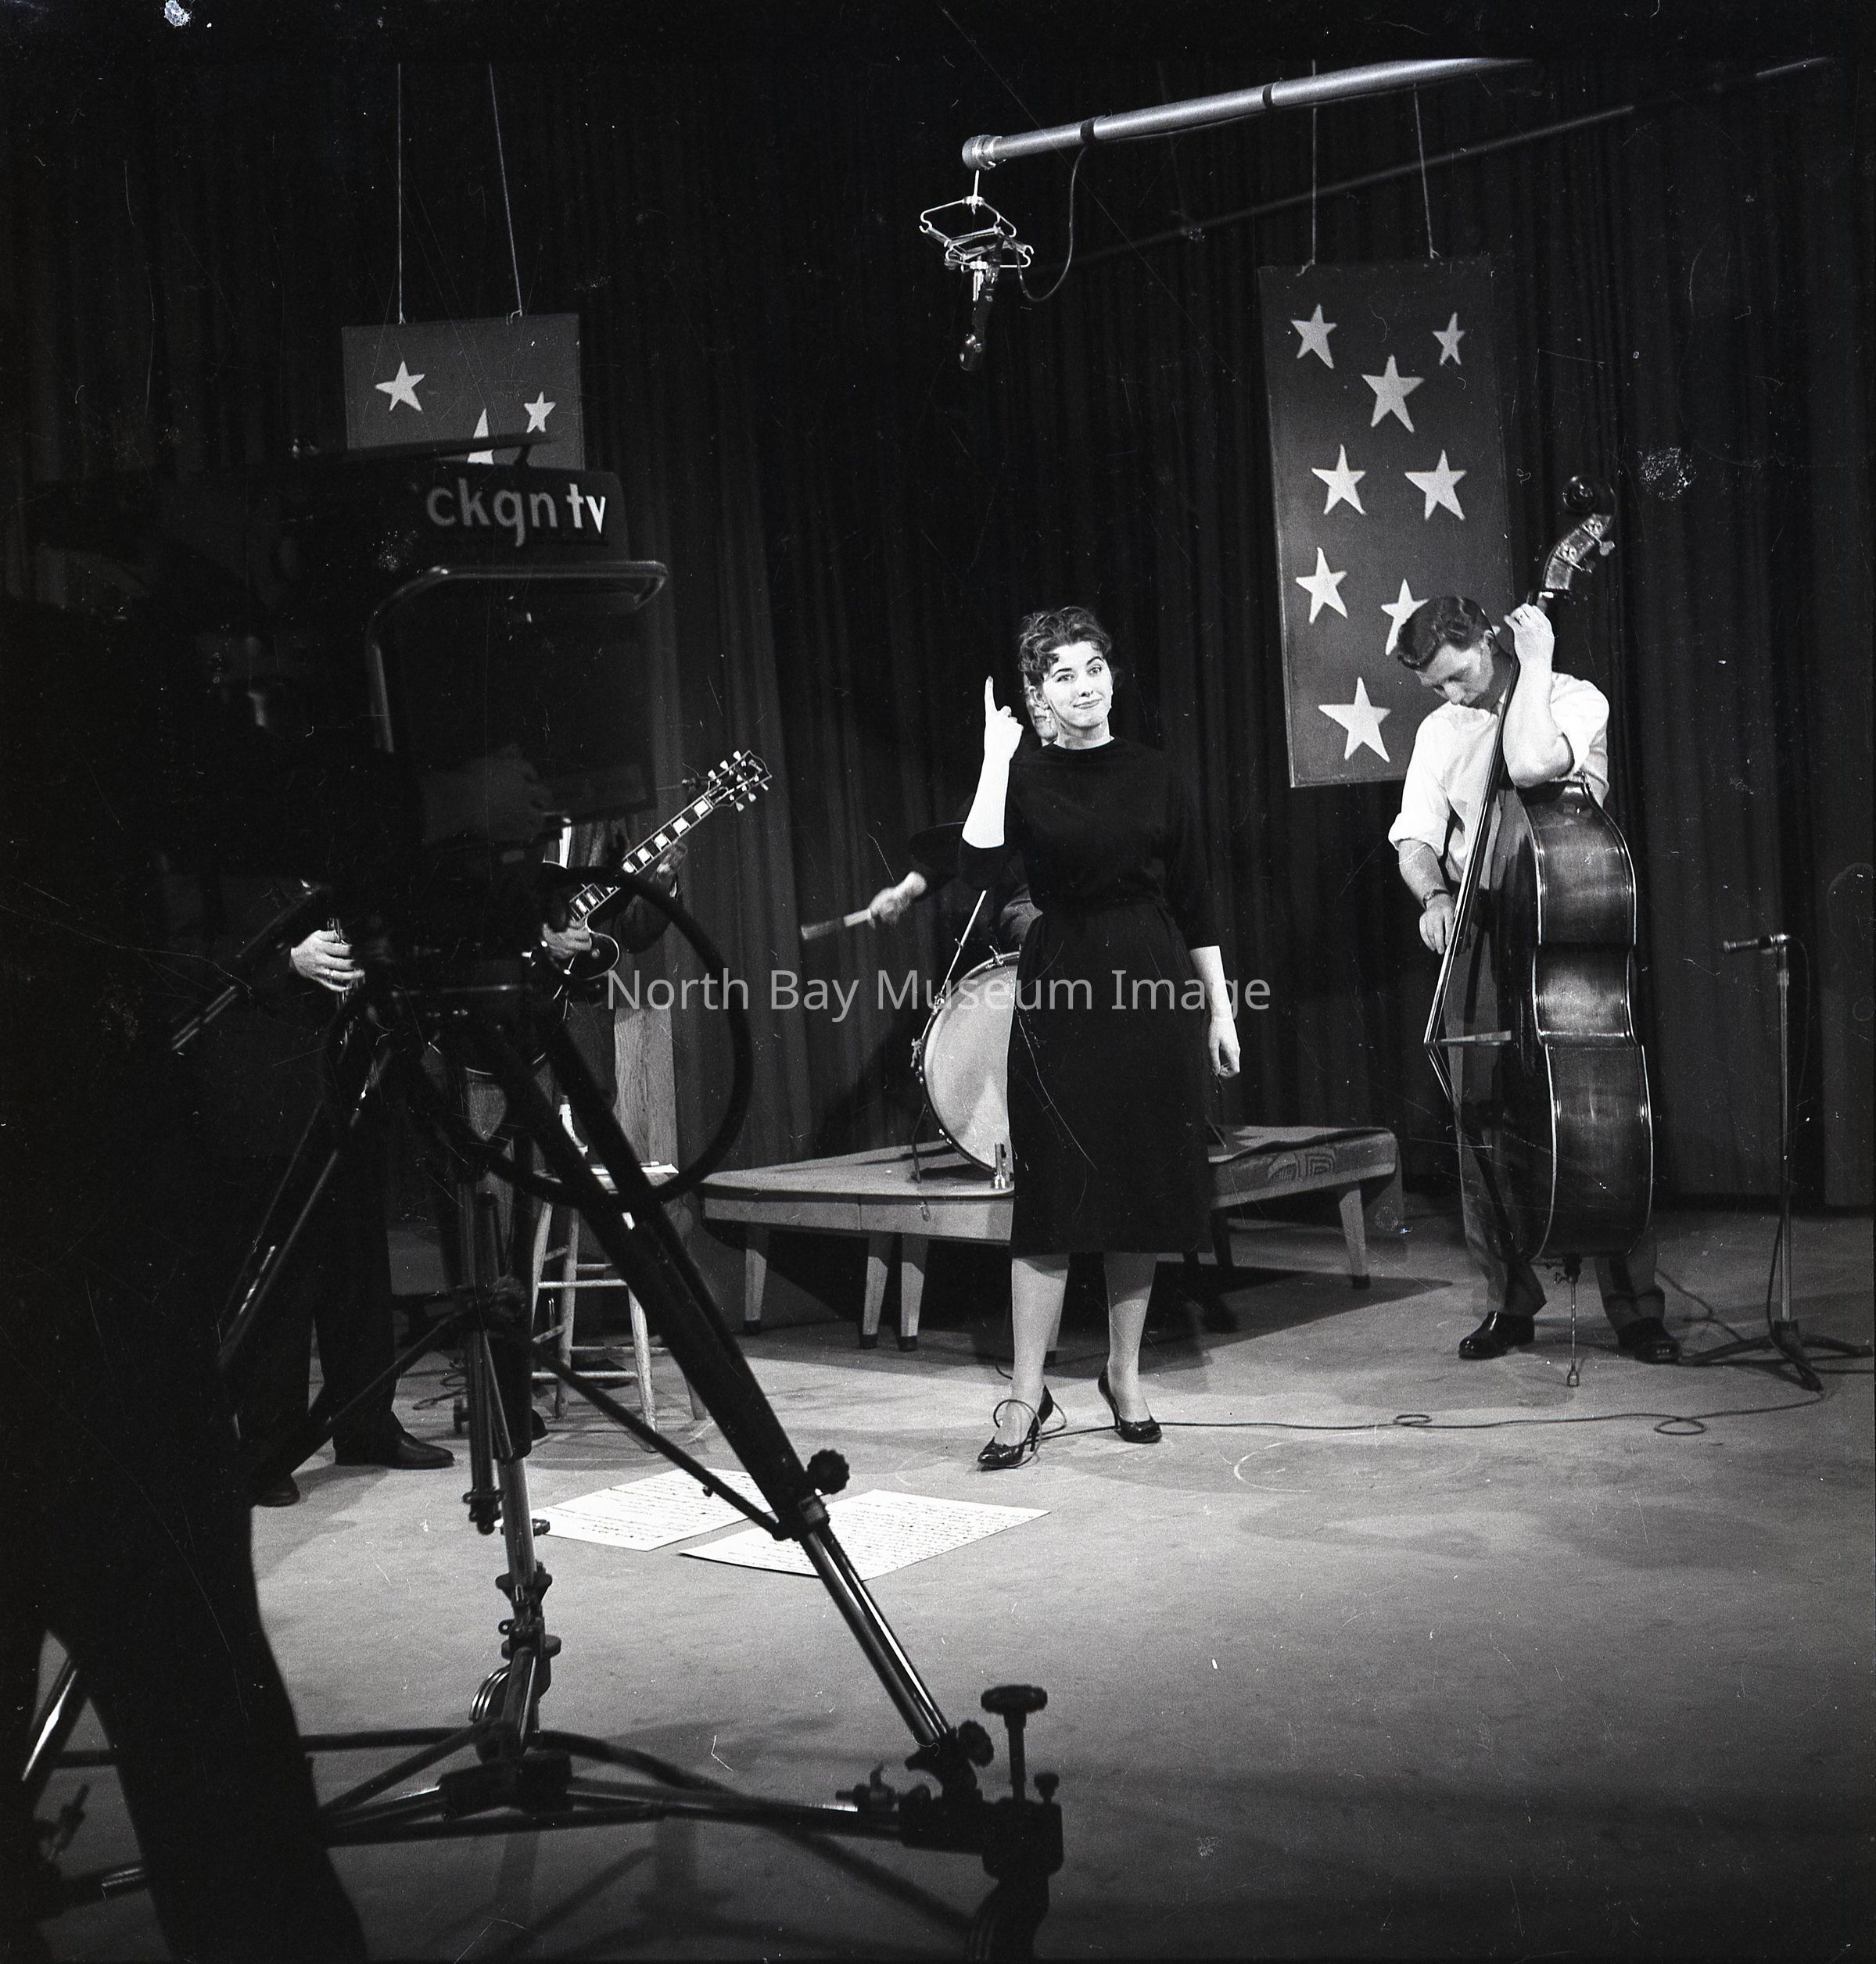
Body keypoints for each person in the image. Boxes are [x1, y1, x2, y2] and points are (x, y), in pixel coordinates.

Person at [0, 590, 550, 1962]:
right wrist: (439, 797)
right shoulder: (54, 669)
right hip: (68, 1230)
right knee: (193, 1682)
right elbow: (221, 795)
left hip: (119, 1176)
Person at [960, 607, 1240, 1468]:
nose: (1083, 686)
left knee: (1138, 1190)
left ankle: (1123, 1373)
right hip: (1062, 987)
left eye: (1093, 667)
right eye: (1062, 675)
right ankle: (1024, 1396)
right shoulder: (1025, 773)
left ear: (1111, 676)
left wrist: (1220, 1010)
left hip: (1152, 985)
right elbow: (978, 866)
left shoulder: (1157, 772)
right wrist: (994, 756)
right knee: (1049, 1203)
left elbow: (1195, 899)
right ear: (1038, 694)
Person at [1388, 593, 1677, 1364]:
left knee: (1604, 1118)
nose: (1452, 696)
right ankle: (1507, 1302)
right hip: (1483, 931)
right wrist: (1434, 896)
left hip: (1566, 929)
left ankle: (1635, 1308)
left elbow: (1529, 764)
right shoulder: (1439, 729)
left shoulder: (1572, 698)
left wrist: (1537, 659)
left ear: (1488, 640)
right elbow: (1415, 837)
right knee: (1477, 1120)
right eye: (1435, 687)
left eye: (1457, 676)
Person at [864, 685, 1055, 950]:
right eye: (1030, 692)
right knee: (1043, 930)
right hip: (1030, 905)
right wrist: (902, 893)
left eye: (1044, 689)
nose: (1037, 703)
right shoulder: (1015, 759)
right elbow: (958, 840)